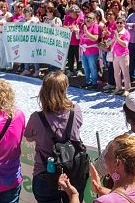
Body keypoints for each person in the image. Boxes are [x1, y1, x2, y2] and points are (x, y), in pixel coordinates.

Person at [25, 71, 86, 203]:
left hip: (46, 173)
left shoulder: (36, 118)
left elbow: (28, 137)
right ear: (65, 90)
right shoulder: (76, 110)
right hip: (72, 171)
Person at [84, 133, 135, 203]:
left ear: (118, 164)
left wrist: (74, 196)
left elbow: (115, 199)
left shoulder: (103, 201)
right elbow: (124, 197)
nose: (105, 157)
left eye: (108, 154)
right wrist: (99, 189)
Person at [79, 12, 102, 89]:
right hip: (84, 51)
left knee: (93, 67)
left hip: (92, 51)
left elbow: (95, 38)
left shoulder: (95, 26)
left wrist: (87, 33)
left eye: (90, 18)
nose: (87, 19)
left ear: (94, 20)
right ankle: (88, 82)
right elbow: (80, 37)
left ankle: (94, 83)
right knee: (86, 67)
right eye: (86, 17)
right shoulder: (83, 26)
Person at [110, 16, 132, 94]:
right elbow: (108, 43)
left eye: (121, 23)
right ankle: (118, 87)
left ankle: (127, 89)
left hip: (123, 55)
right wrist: (114, 38)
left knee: (125, 73)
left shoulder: (126, 33)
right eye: (118, 22)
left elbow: (125, 44)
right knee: (116, 73)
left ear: (124, 24)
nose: (119, 24)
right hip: (115, 55)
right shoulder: (113, 32)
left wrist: (118, 39)